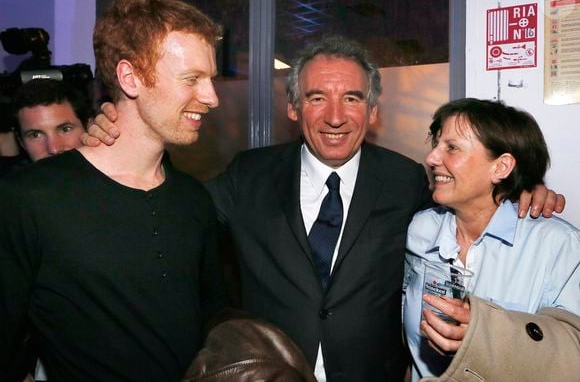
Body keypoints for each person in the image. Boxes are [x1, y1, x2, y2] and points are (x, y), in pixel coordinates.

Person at [84, 36, 564, 381]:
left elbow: (470, 201)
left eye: (352, 98)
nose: (336, 117)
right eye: (318, 98)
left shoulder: (407, 181)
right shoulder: (248, 175)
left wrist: (524, 190)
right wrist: (125, 138)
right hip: (271, 373)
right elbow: (170, 214)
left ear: (373, 111)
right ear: (293, 107)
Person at [0, 0, 228, 382]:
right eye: (192, 79)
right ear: (130, 77)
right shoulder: (30, 198)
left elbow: (212, 326)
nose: (212, 98)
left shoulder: (195, 202)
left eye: (210, 79)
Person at [403, 98, 579, 381]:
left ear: (501, 167)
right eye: (437, 145)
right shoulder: (421, 230)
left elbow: (571, 354)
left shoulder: (557, 245)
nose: (432, 158)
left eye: (452, 148)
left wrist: (486, 333)